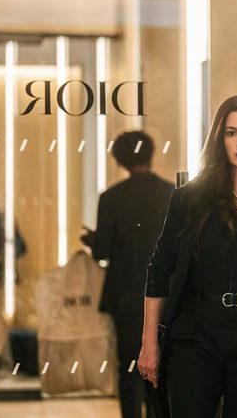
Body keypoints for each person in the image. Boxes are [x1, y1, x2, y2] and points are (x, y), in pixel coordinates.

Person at [138, 95, 237, 417]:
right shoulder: (189, 198)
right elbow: (159, 269)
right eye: (231, 133)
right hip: (195, 334)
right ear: (220, 140)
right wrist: (149, 342)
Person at [80, 131, 173, 418]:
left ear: (119, 160)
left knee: (129, 366)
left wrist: (91, 240)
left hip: (125, 294)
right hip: (165, 291)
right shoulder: (172, 193)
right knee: (163, 364)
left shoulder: (111, 198)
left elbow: (102, 250)